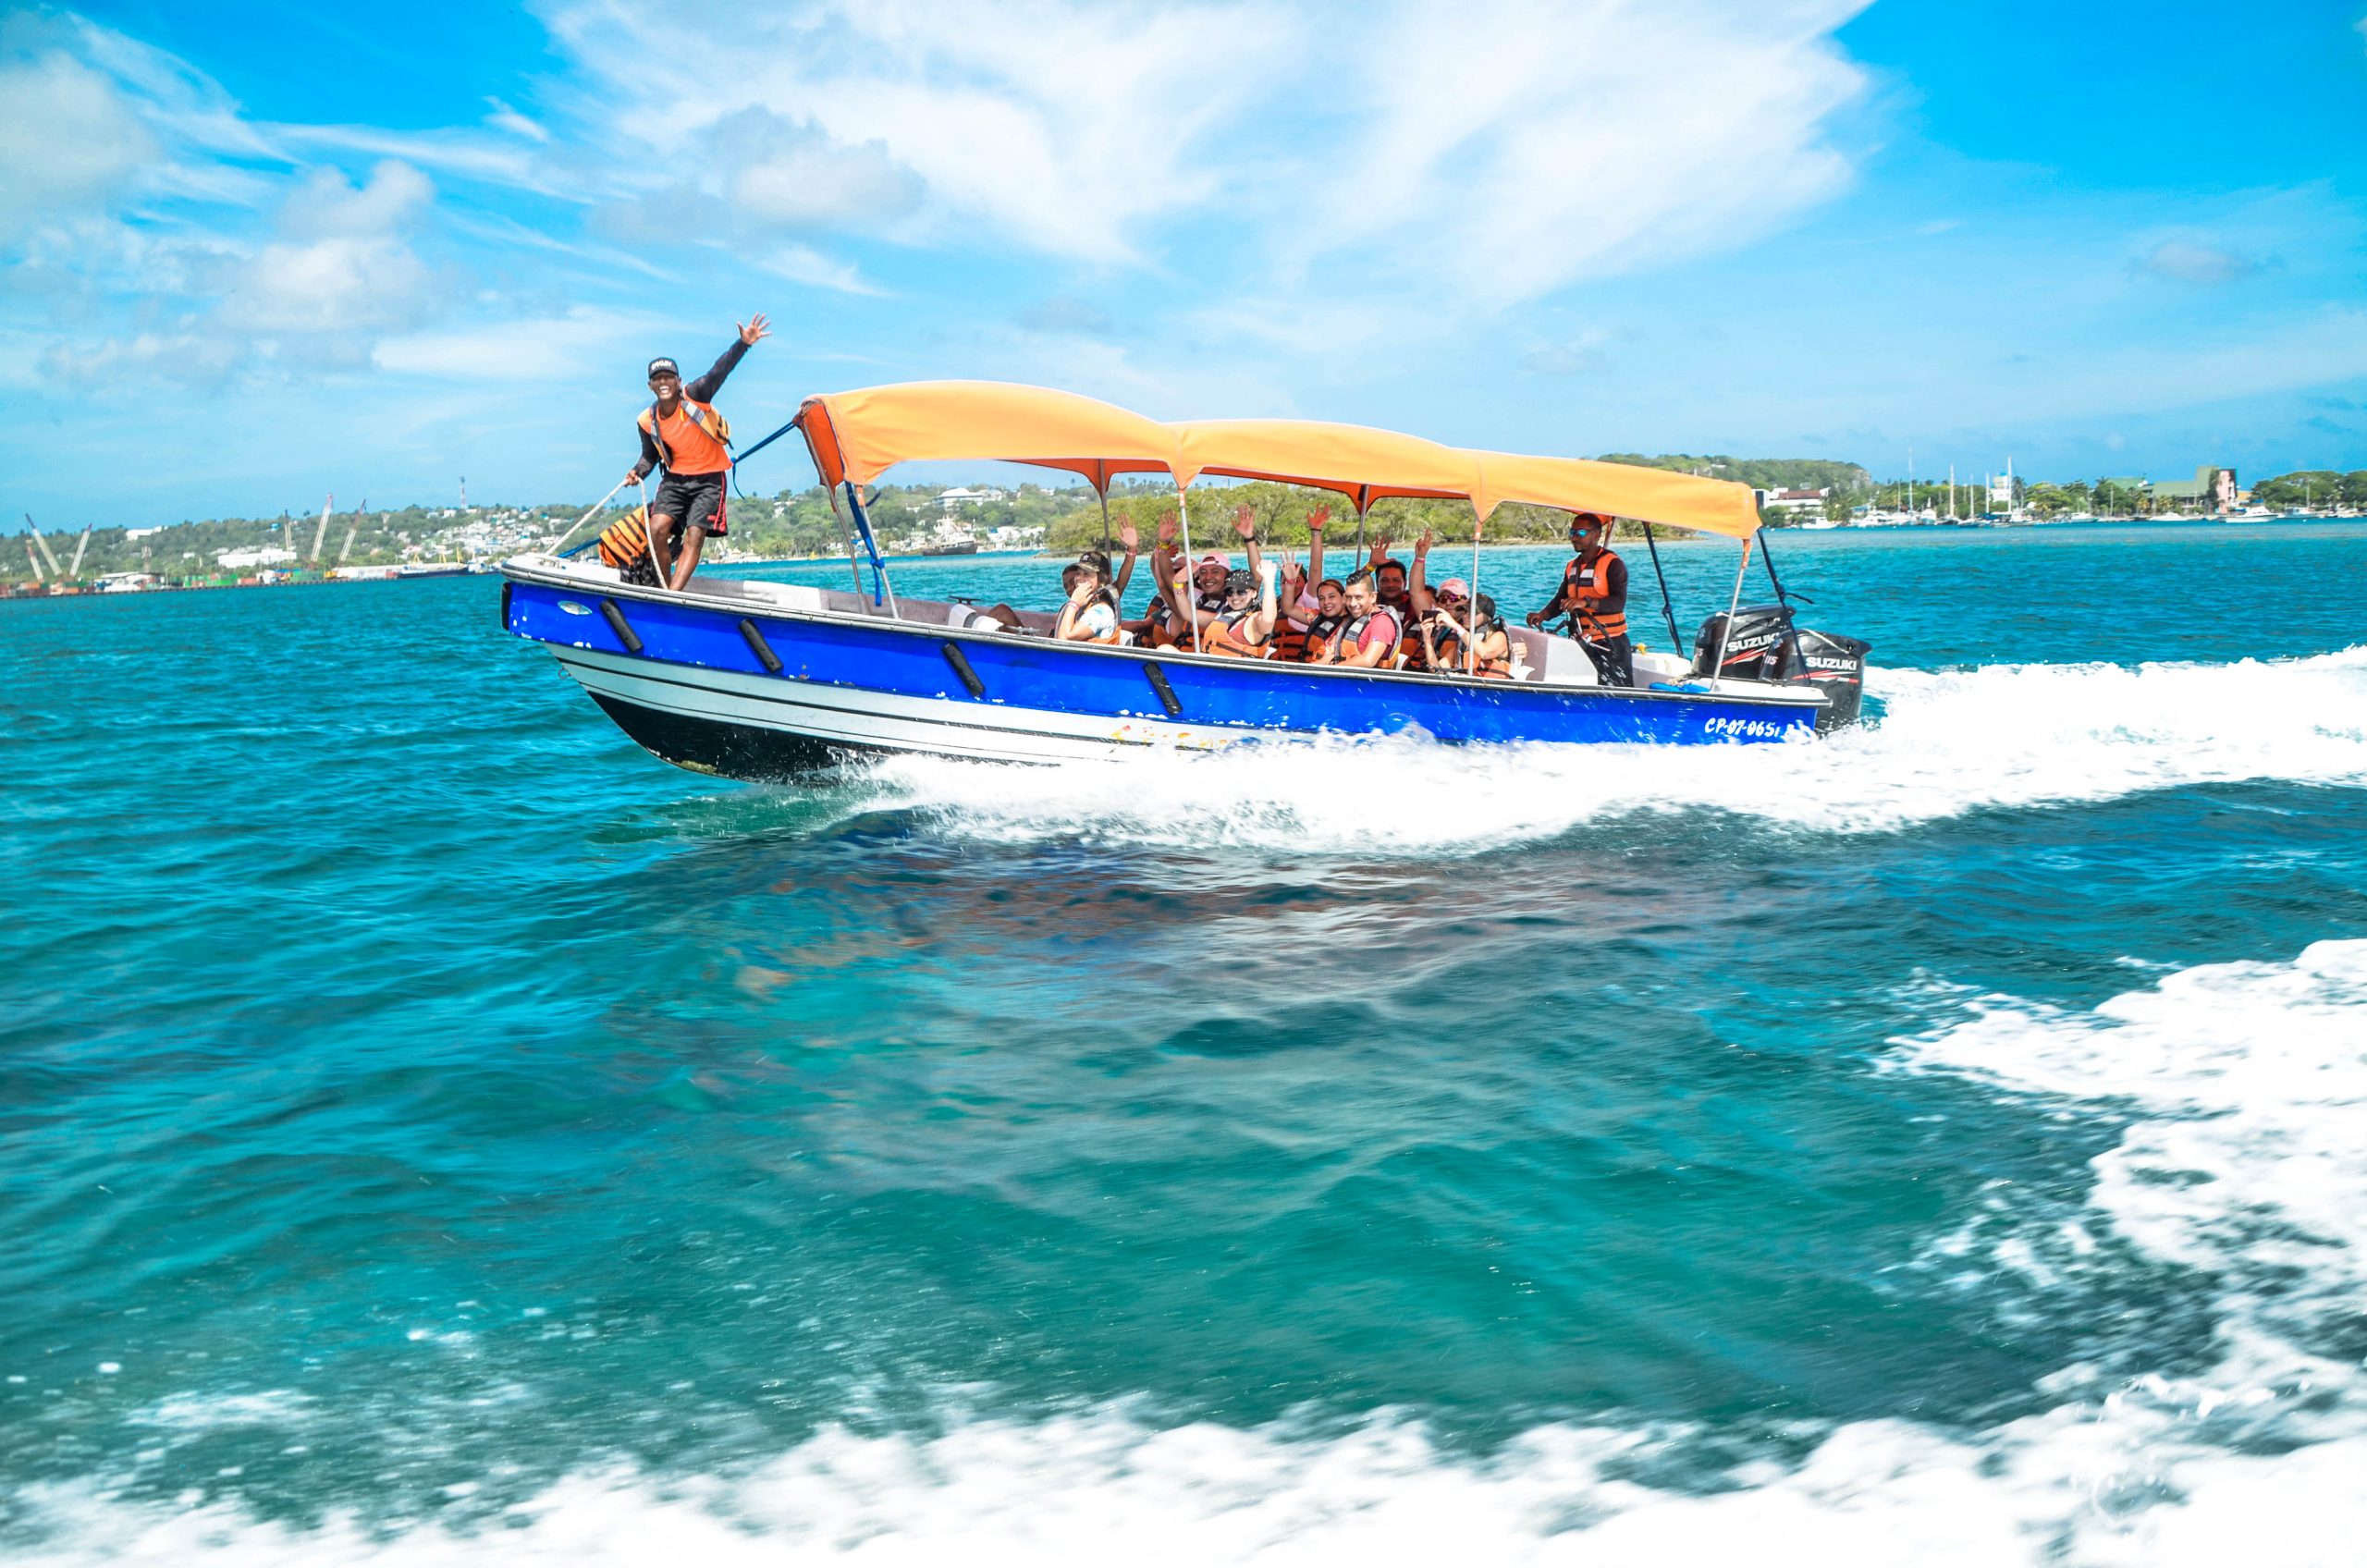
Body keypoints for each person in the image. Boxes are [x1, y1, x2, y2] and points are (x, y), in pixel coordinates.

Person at [624, 313, 769, 590]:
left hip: (710, 478)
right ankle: (666, 589)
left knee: (695, 533)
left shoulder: (696, 396)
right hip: (676, 479)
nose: (663, 382)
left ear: (679, 381)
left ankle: (673, 596)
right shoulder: (647, 420)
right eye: (657, 378)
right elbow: (649, 458)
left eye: (669, 377)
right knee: (656, 529)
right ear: (650, 386)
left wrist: (743, 344)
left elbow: (719, 371)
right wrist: (636, 473)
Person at [1527, 511, 1632, 687]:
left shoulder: (1613, 564)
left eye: (1580, 533)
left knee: (1616, 692)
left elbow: (1618, 602)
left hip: (1611, 643)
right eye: (1571, 533)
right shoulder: (1572, 567)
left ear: (1596, 535)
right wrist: (1543, 614)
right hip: (1582, 642)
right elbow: (1561, 598)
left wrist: (1586, 602)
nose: (1574, 538)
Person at [1318, 568, 1402, 668]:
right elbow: (1330, 655)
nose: (1353, 603)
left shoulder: (1382, 623)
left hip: (1367, 682)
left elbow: (1368, 661)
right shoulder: (1351, 620)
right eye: (1349, 597)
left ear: (1373, 597)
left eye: (1359, 597)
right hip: (1343, 678)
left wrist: (1334, 668)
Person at [1424, 591, 1513, 678]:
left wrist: (1455, 625)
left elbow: (1485, 653)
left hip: (1492, 690)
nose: (1465, 616)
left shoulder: (1499, 637)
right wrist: (1427, 639)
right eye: (1465, 611)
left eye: (1473, 612)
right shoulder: (1461, 644)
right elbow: (1437, 670)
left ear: (1486, 616)